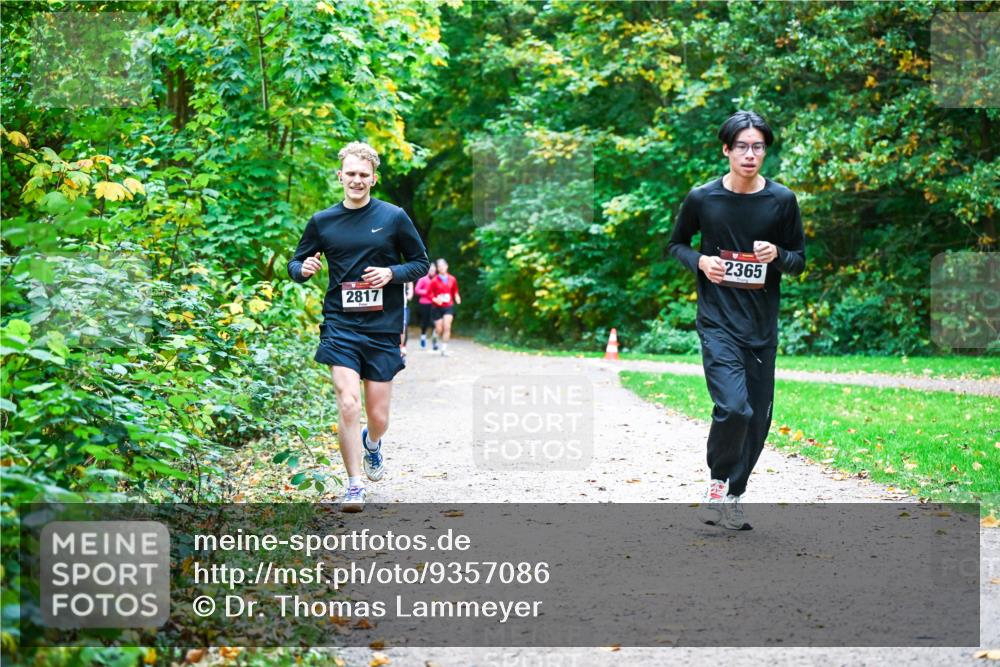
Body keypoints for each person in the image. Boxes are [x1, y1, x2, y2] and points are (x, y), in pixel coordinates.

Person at [667, 110, 806, 530]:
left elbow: (799, 261)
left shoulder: (781, 201)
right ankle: (715, 484)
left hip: (761, 328)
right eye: (742, 146)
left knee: (759, 417)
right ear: (726, 150)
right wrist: (701, 261)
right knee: (733, 408)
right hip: (717, 322)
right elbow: (675, 245)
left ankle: (734, 493)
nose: (750, 154)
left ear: (766, 151)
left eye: (758, 146)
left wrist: (778, 256)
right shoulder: (703, 198)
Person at [287, 141, 429, 512]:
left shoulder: (394, 216)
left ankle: (373, 443)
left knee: (378, 417)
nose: (357, 180)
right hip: (341, 325)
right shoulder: (323, 221)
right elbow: (296, 262)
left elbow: (419, 263)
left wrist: (391, 273)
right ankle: (353, 485)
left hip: (382, 328)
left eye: (364, 175)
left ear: (374, 179)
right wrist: (302, 270)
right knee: (348, 402)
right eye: (350, 173)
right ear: (340, 176)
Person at [429, 258, 461, 357]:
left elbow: (455, 290)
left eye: (443, 266)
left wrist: (457, 297)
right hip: (437, 307)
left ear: (447, 266)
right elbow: (429, 294)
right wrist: (434, 299)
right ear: (438, 269)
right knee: (439, 329)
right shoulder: (434, 280)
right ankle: (435, 336)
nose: (442, 268)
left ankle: (444, 349)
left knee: (447, 326)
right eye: (439, 267)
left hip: (448, 306)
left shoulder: (452, 279)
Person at [414, 264, 438, 350]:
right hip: (424, 303)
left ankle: (434, 340)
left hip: (435, 303)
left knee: (435, 322)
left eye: (434, 270)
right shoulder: (423, 278)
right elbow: (417, 290)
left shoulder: (437, 279)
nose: (432, 271)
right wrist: (427, 292)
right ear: (428, 270)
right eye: (431, 270)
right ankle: (423, 338)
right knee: (425, 322)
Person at [400, 281, 414, 358]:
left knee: (403, 327)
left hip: (402, 306)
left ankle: (402, 348)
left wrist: (410, 293)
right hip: (388, 306)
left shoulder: (402, 269)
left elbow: (410, 280)